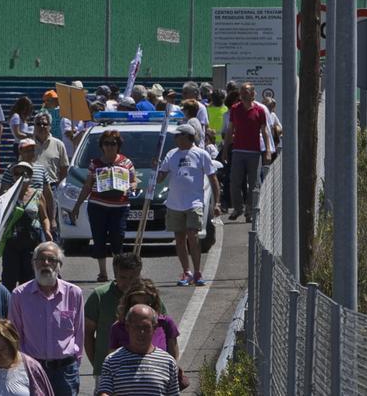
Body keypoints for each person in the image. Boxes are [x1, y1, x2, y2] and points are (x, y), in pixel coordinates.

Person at [9, 243, 83, 396]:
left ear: (59, 265)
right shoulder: (19, 295)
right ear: (33, 264)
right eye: (41, 259)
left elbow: (79, 331)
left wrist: (76, 361)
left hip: (65, 370)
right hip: (32, 368)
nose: (46, 263)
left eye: (51, 260)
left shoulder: (74, 293)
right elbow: (14, 334)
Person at [156, 124, 220, 287]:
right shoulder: (172, 154)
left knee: (193, 236)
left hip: (194, 202)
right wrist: (156, 169)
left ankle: (197, 272)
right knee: (179, 239)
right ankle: (186, 271)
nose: (175, 138)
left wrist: (217, 202)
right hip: (174, 204)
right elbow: (160, 177)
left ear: (186, 137)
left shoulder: (201, 154)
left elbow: (213, 179)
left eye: (178, 136)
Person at [69, 130, 138, 282]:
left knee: (117, 239)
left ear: (118, 145)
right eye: (106, 143)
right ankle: (103, 273)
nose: (110, 147)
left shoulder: (126, 162)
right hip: (98, 206)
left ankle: (117, 274)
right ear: (102, 146)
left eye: (113, 143)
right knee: (99, 239)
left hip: (120, 207)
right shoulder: (95, 164)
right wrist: (76, 206)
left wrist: (132, 186)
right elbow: (87, 186)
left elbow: (134, 180)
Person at [84, 252, 166, 376]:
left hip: (148, 369)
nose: (128, 283)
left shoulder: (150, 296)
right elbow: (87, 335)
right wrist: (98, 364)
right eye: (123, 277)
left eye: (133, 278)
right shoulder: (99, 296)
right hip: (109, 372)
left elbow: (164, 330)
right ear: (115, 273)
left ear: (140, 274)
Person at [94, 305, 180, 396]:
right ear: (127, 327)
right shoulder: (112, 360)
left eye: (146, 327)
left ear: (154, 328)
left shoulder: (168, 362)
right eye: (136, 327)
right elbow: (104, 392)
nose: (141, 332)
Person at [226, 83, 273, 222]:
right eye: (242, 92)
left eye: (246, 92)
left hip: (254, 152)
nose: (244, 95)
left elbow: (265, 131)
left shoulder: (259, 110)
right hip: (238, 151)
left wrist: (268, 150)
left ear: (253, 94)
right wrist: (226, 148)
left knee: (254, 183)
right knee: (235, 181)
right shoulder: (235, 109)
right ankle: (238, 208)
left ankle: (250, 211)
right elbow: (230, 130)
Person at [0, 162, 51, 291]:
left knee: (28, 279)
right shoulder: (7, 195)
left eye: (24, 173)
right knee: (9, 278)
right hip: (12, 241)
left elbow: (44, 217)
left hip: (31, 241)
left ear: (30, 175)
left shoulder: (37, 194)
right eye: (17, 173)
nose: (21, 176)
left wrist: (47, 230)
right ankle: (8, 308)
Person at [107, 281, 178, 360]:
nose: (141, 307)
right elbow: (112, 360)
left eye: (147, 303)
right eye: (135, 303)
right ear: (128, 305)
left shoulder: (166, 323)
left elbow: (173, 358)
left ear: (154, 304)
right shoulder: (118, 327)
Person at [31, 113, 69, 186]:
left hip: (52, 185)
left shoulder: (59, 144)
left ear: (50, 127)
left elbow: (64, 168)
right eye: (38, 124)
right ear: (34, 126)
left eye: (45, 124)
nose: (42, 126)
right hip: (32, 186)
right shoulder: (29, 144)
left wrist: (59, 186)